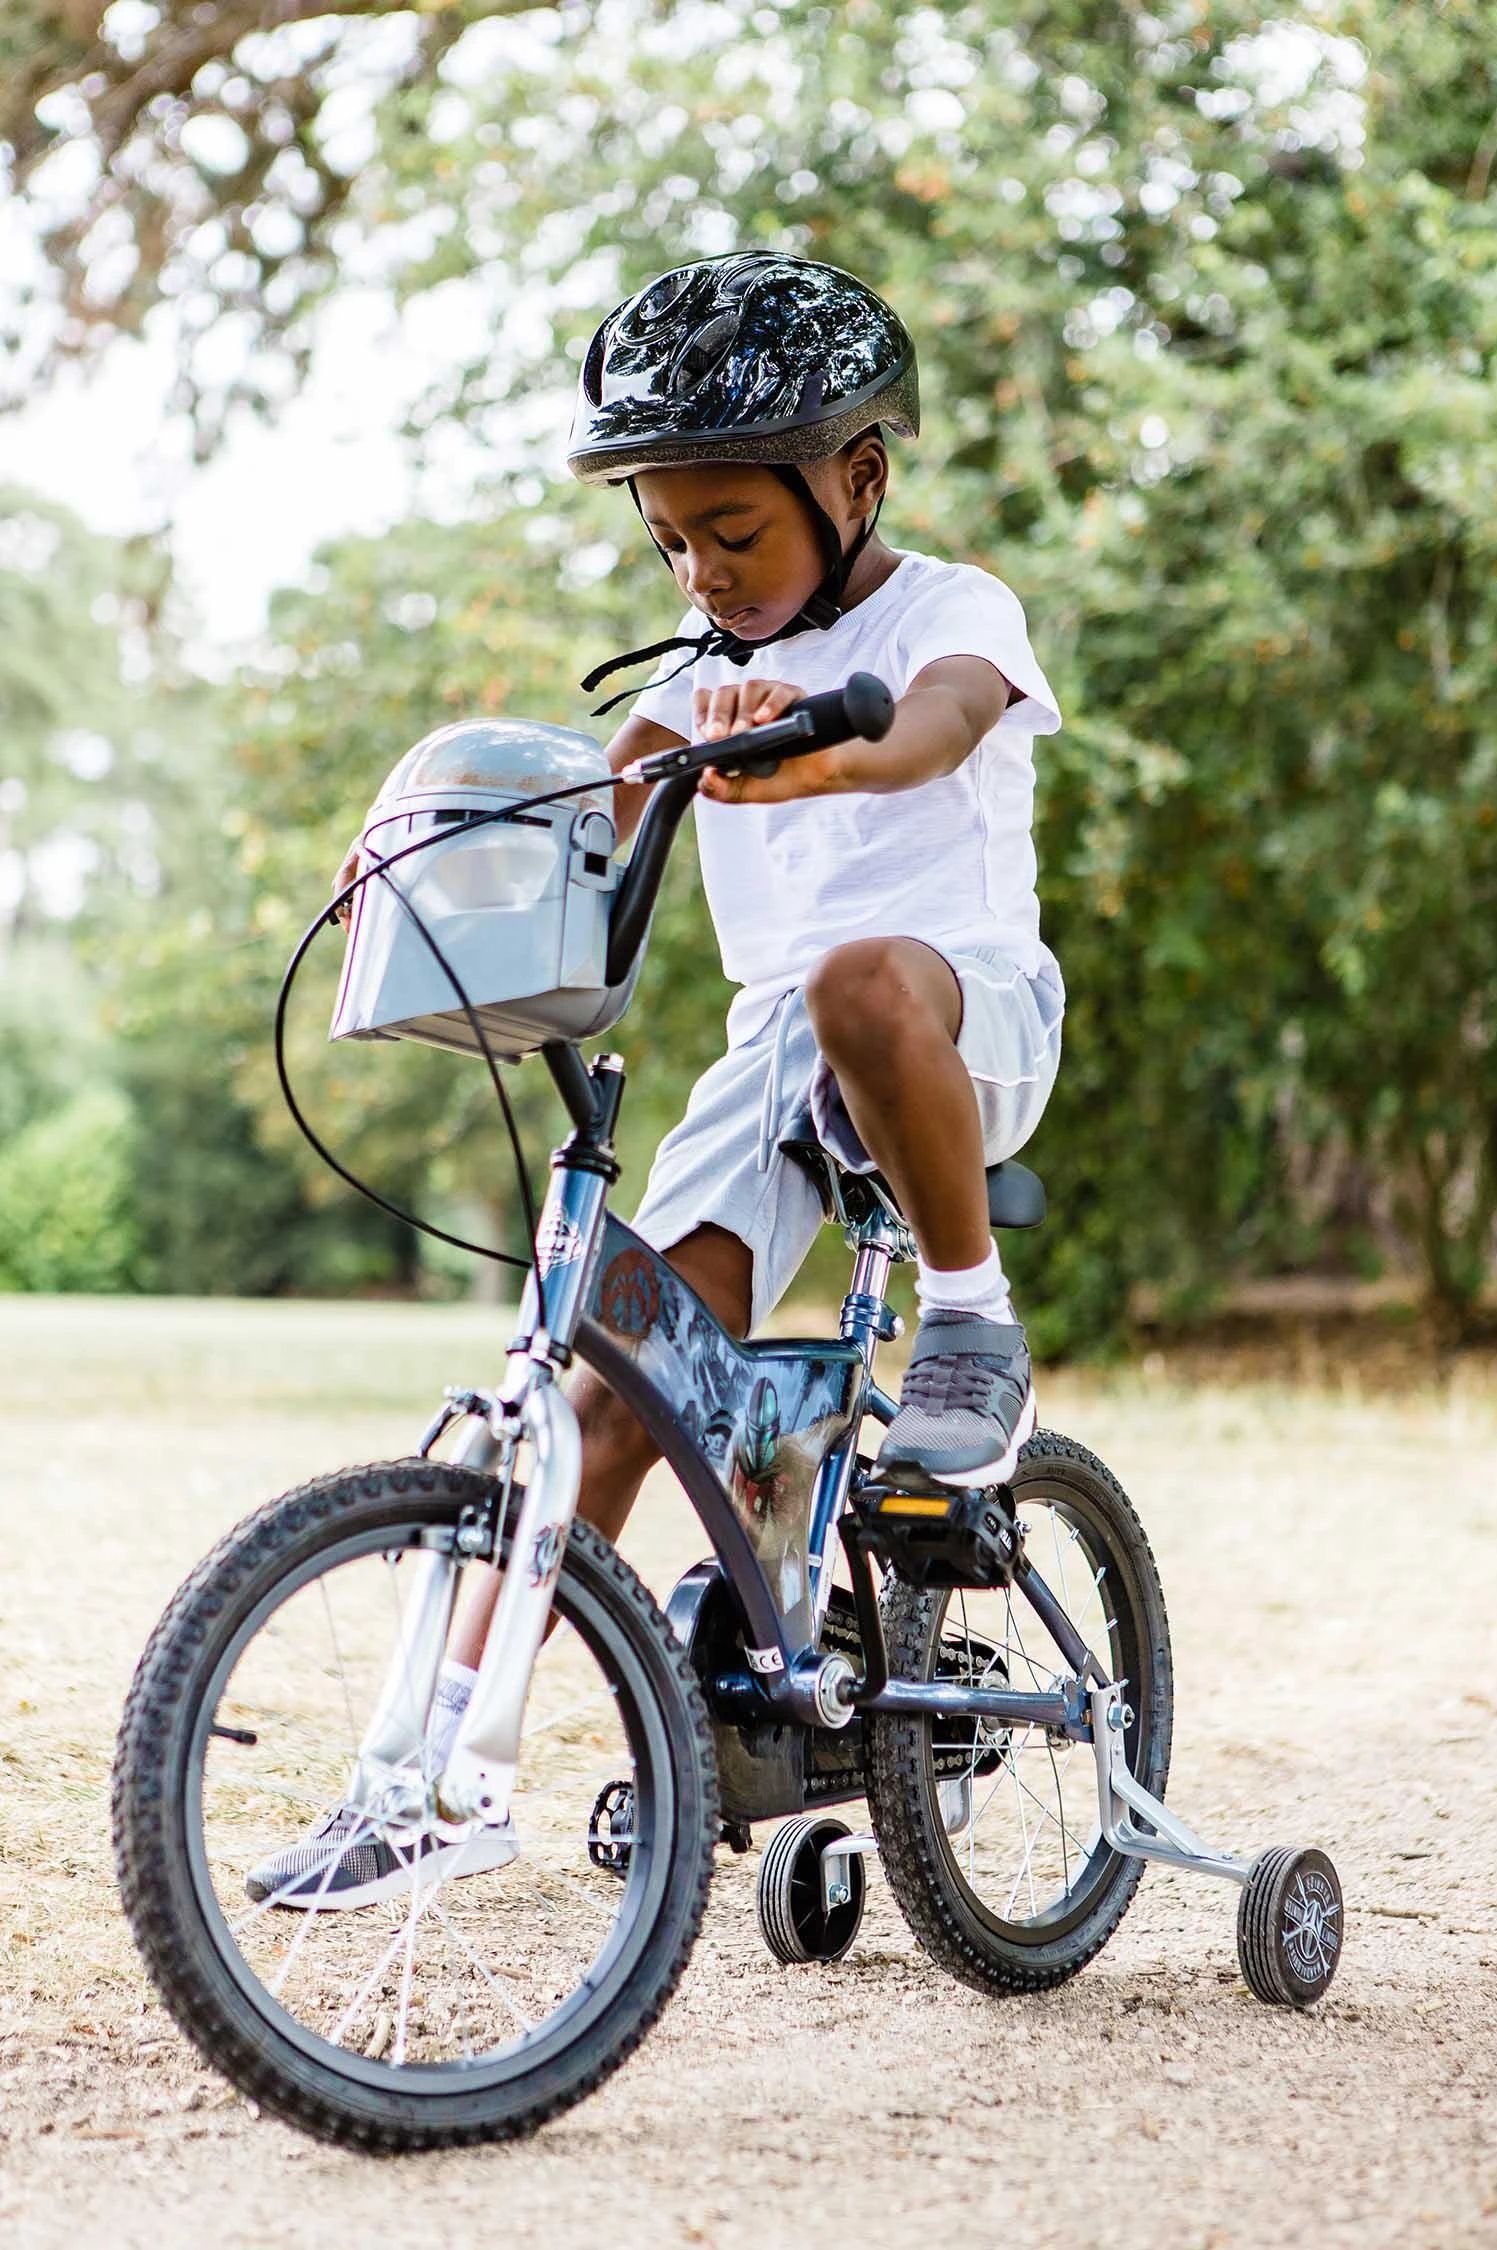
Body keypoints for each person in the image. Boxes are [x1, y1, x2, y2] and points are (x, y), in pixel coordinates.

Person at [250, 250, 1064, 1907]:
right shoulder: (687, 684)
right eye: (672, 538)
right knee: (613, 1374)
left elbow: (930, 733)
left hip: (955, 1014)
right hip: (779, 1053)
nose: (701, 567)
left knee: (851, 979)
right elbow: (584, 821)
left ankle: (973, 1316)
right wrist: (443, 854)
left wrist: (805, 744)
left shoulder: (952, 614)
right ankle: (438, 1773)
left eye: (733, 532)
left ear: (857, 478)